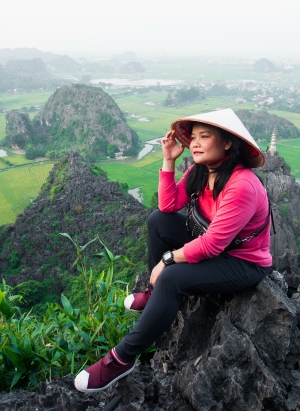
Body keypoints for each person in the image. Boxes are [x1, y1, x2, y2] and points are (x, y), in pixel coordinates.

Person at [74, 108, 273, 393]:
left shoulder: (241, 185)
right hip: (213, 243)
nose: (195, 144)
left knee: (172, 277)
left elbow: (214, 244)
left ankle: (122, 358)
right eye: (193, 138)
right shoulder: (201, 171)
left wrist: (167, 260)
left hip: (242, 262)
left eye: (205, 137)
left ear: (228, 142)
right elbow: (168, 207)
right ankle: (156, 296)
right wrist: (168, 160)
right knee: (157, 220)